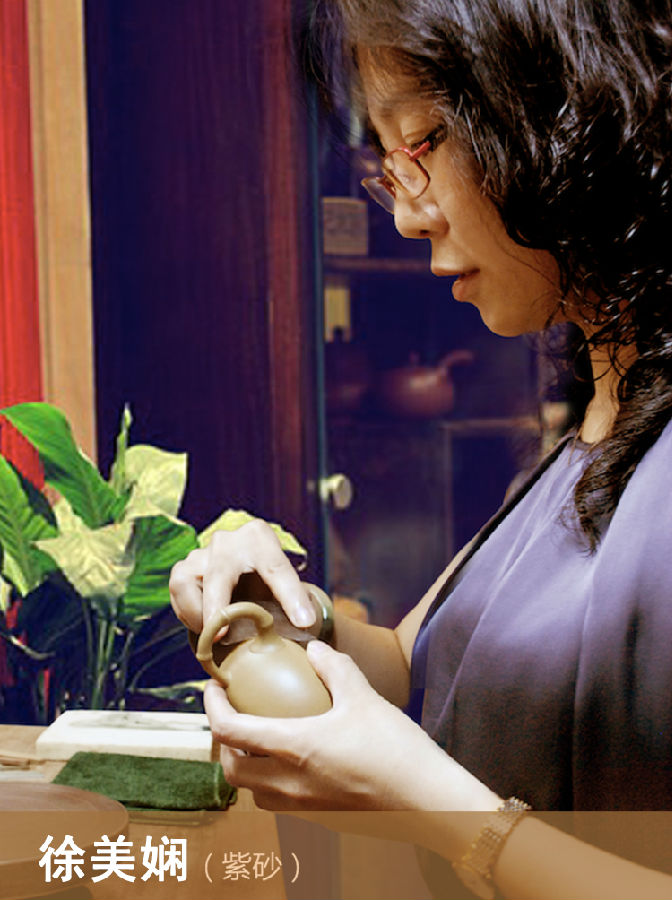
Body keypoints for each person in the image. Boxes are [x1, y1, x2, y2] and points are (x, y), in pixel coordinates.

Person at [169, 0, 672, 896]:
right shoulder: (593, 431)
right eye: (387, 160)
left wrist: (430, 811)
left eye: (422, 143)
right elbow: (413, 663)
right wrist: (286, 613)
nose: (406, 214)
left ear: (562, 111)